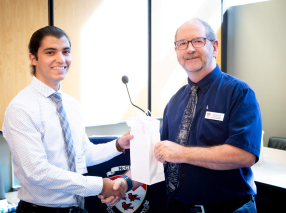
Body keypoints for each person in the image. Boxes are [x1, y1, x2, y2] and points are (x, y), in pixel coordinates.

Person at [100, 18, 262, 213]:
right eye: (182, 43)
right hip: (178, 208)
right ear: (177, 51)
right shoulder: (175, 101)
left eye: (198, 41)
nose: (190, 49)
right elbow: (156, 156)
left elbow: (245, 155)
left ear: (215, 47)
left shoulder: (238, 93)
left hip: (229, 209)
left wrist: (182, 153)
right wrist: (125, 183)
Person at [3, 26, 132, 213]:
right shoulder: (21, 108)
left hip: (77, 208)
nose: (61, 59)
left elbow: (83, 154)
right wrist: (99, 185)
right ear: (33, 58)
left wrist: (119, 144)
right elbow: (37, 172)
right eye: (50, 52)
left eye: (66, 52)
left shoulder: (71, 105)